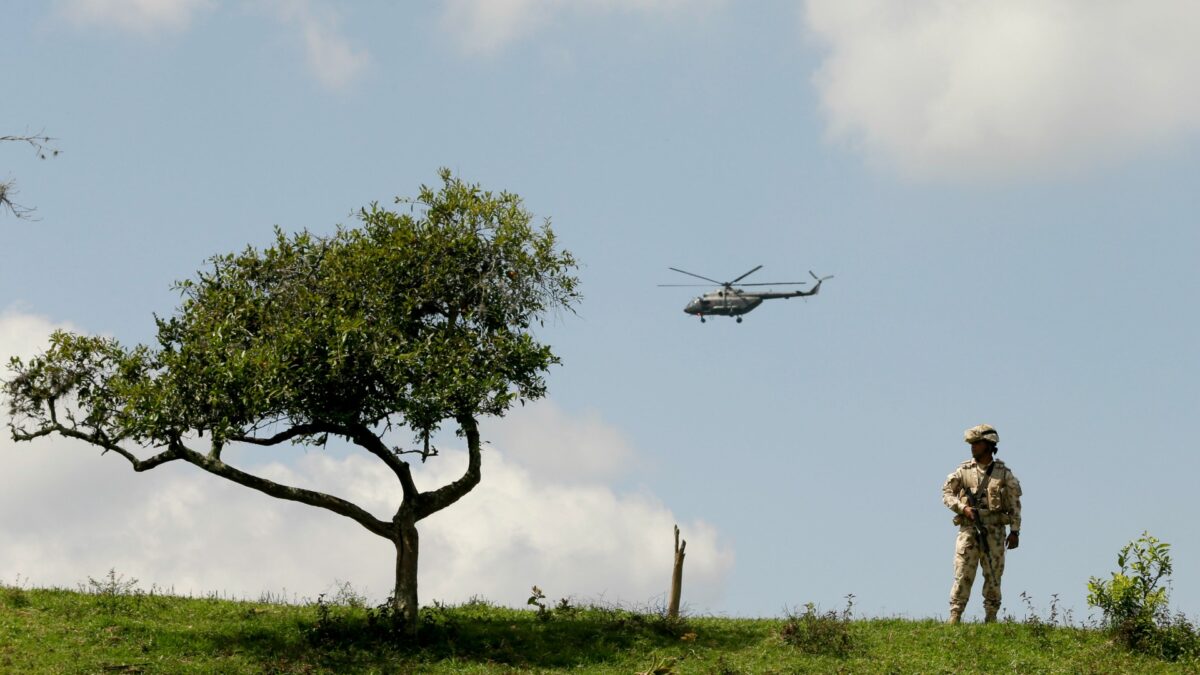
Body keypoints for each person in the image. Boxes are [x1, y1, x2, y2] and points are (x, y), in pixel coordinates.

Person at [941, 423, 1022, 624]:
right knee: (962, 574)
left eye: (977, 443)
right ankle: (955, 616)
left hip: (994, 531)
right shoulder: (963, 471)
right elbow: (946, 493)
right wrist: (962, 508)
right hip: (969, 529)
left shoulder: (1003, 474)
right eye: (973, 443)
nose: (973, 447)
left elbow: (1014, 503)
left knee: (994, 576)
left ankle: (991, 617)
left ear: (988, 445)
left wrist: (1015, 531)